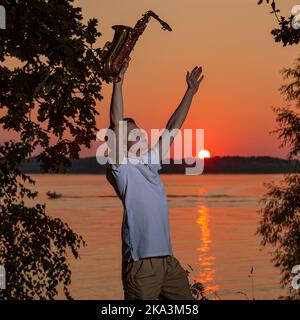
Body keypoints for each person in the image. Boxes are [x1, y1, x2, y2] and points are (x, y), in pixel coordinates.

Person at [106, 56, 204, 300]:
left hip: (168, 262)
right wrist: (118, 82)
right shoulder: (121, 168)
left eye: (138, 128)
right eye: (131, 132)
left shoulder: (150, 161)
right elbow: (116, 124)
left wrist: (190, 92)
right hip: (142, 267)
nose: (139, 132)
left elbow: (173, 127)